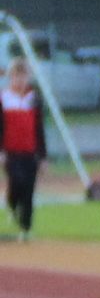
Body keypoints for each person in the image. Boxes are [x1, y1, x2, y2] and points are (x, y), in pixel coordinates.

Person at [1, 56, 41, 239]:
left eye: (24, 76)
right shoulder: (4, 98)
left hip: (30, 151)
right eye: (17, 76)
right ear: (11, 77)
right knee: (17, 182)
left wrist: (42, 155)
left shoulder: (33, 98)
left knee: (29, 189)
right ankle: (12, 204)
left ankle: (26, 227)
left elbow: (39, 128)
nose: (20, 80)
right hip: (11, 151)